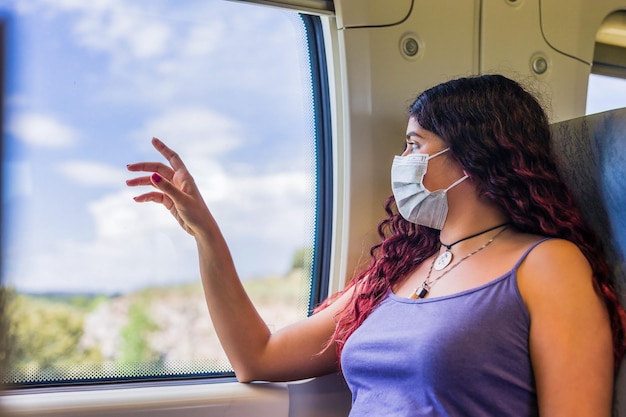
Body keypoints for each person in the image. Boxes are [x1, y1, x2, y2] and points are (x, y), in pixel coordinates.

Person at [127, 74, 626, 416]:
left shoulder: (547, 264)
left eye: (414, 144)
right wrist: (206, 235)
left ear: (473, 154)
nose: (401, 159)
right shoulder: (398, 271)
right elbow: (258, 358)